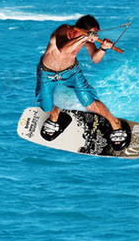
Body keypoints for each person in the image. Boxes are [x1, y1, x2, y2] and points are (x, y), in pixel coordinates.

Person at [35, 14, 129, 149]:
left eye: (96, 33)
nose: (95, 36)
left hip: (71, 72)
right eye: (93, 32)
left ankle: (116, 124)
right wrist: (84, 37)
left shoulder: (86, 39)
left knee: (89, 104)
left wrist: (103, 48)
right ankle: (55, 115)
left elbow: (95, 59)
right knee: (47, 107)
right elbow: (63, 49)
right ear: (79, 29)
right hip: (47, 73)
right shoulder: (63, 30)